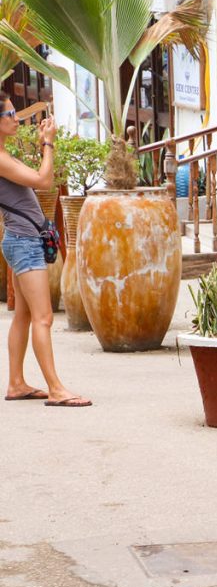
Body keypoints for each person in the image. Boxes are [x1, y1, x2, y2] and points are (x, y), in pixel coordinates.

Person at [0, 93, 91, 407]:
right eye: (10, 114)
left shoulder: (4, 153)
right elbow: (44, 180)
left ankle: (16, 383)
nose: (16, 118)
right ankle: (56, 389)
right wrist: (48, 143)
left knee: (25, 316)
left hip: (21, 239)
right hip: (24, 243)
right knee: (44, 318)